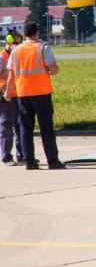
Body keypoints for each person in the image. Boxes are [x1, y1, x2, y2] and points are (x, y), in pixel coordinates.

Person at [4, 22, 64, 169]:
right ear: (37, 33)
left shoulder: (16, 51)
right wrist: (49, 71)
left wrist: (7, 92)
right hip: (42, 93)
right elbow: (54, 69)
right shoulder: (43, 47)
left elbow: (11, 75)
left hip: (23, 93)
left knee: (25, 128)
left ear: (24, 34)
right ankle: (52, 161)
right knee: (46, 128)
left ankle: (29, 161)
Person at [0, 30, 21, 164]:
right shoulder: (1, 58)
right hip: (5, 96)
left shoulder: (17, 55)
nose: (18, 45)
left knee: (20, 126)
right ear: (9, 41)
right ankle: (6, 155)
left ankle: (22, 154)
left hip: (18, 94)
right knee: (6, 125)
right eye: (16, 42)